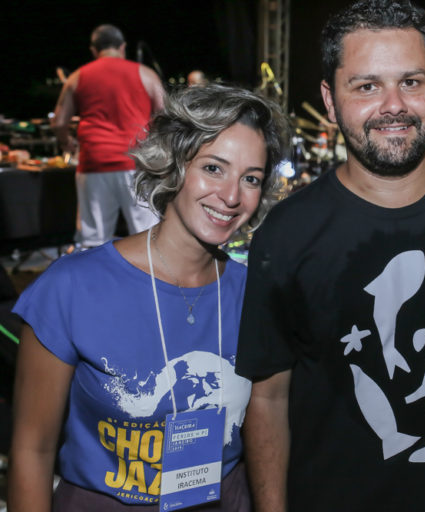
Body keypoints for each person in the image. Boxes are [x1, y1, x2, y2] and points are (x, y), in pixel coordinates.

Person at [235, 1, 425, 511]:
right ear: (330, 100)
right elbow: (268, 396)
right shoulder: (286, 232)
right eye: (367, 86)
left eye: (411, 82)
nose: (394, 105)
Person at [9, 84, 287, 511]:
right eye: (214, 168)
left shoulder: (258, 295)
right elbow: (32, 450)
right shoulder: (72, 287)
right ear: (174, 164)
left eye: (250, 178)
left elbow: (271, 422)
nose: (232, 196)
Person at [51, 24, 165, 248]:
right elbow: (165, 116)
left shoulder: (77, 77)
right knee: (148, 237)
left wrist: (67, 142)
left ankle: (95, 272)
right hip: (137, 162)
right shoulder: (145, 74)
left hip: (94, 163)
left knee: (93, 240)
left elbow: (59, 121)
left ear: (94, 50)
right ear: (122, 47)